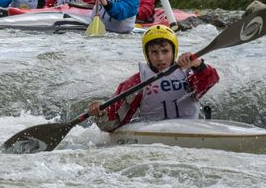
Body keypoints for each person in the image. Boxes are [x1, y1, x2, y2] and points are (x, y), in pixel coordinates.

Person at [87, 25, 219, 131]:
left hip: (190, 129)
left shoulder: (189, 74)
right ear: (147, 55)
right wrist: (100, 113)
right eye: (154, 52)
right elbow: (113, 122)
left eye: (165, 51)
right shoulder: (136, 82)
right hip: (153, 134)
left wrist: (198, 64)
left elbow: (210, 80)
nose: (160, 58)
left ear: (174, 52)